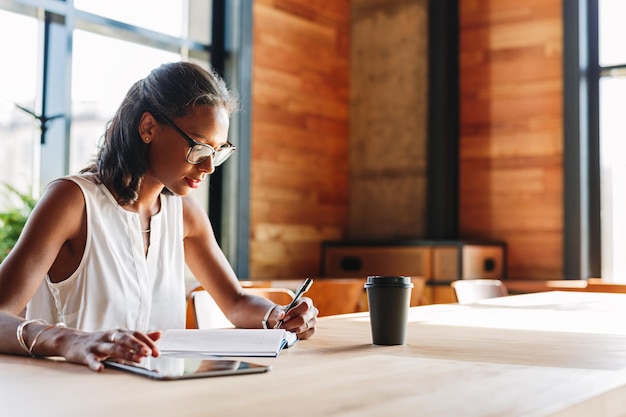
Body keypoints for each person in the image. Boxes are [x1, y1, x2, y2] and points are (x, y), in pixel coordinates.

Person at [0, 61, 318, 371]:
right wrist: (70, 341)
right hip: (70, 399)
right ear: (149, 127)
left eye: (218, 152)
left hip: (158, 400)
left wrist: (277, 315)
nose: (208, 167)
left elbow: (235, 303)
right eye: (199, 148)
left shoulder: (186, 215)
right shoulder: (72, 201)